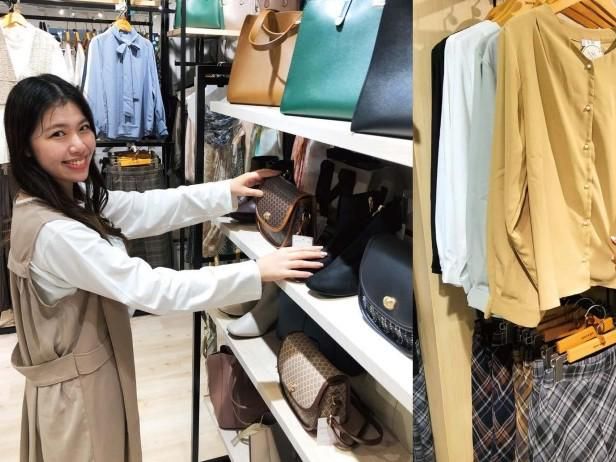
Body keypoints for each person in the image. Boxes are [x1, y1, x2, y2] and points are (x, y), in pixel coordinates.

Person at [4, 74, 325, 462]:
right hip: (77, 392)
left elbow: (141, 209)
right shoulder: (56, 231)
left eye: (83, 127)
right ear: (25, 147)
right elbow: (151, 289)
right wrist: (255, 272)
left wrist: (225, 192)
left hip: (84, 375)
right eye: (58, 134)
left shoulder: (62, 198)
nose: (79, 144)